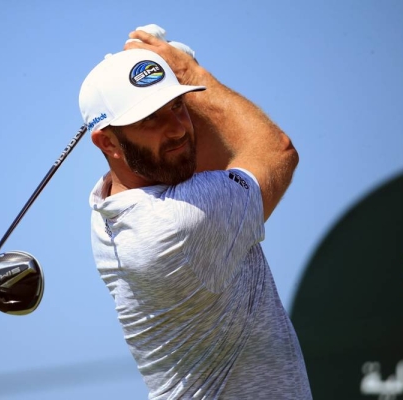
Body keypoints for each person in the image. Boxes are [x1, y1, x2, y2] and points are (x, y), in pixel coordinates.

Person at [79, 25, 312, 399]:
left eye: (177, 106)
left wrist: (162, 75)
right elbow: (277, 150)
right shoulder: (174, 226)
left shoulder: (109, 200)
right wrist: (187, 72)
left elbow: (196, 158)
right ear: (108, 141)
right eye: (150, 118)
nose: (177, 129)